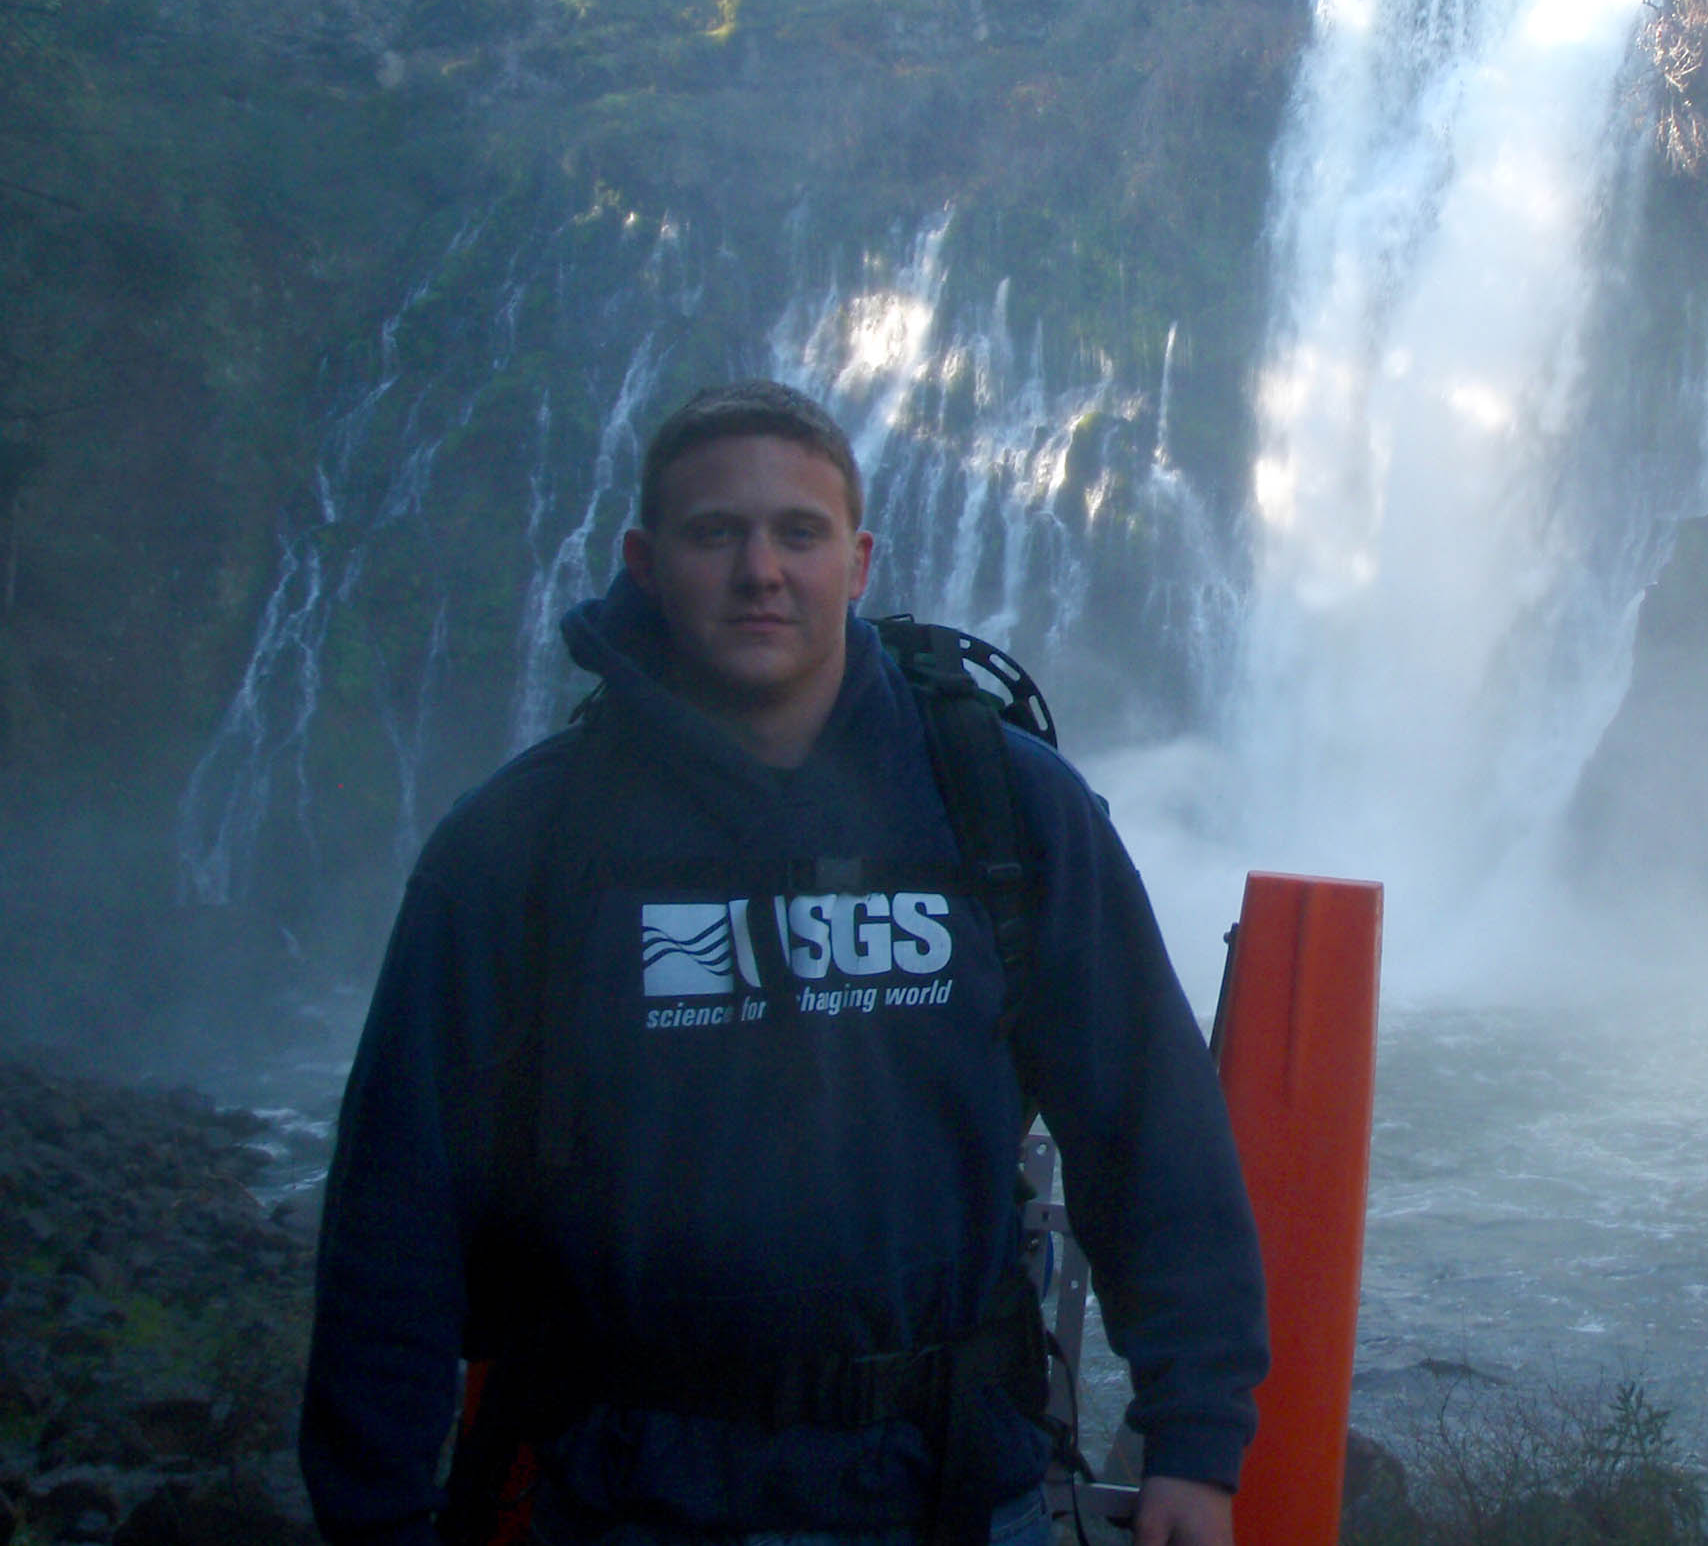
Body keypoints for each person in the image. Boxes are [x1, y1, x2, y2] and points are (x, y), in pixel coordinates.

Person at [300, 381, 1266, 1546]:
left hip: (948, 1493)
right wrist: (380, 1514)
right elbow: (398, 1208)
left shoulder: (1003, 805)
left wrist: (1195, 1441)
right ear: (645, 562)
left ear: (857, 562)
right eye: (717, 533)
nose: (762, 569)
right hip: (625, 1502)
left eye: (798, 532)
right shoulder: (523, 843)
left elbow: (1148, 1127)